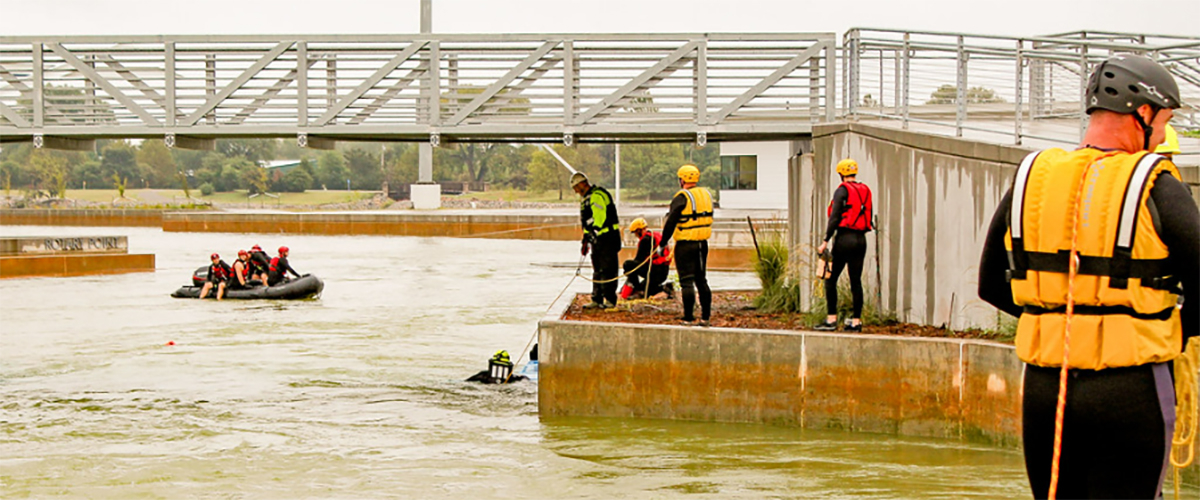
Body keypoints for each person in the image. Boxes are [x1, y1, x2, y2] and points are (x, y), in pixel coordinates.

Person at [977, 54, 1198, 499]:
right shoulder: (1156, 183)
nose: (1159, 136)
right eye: (1164, 122)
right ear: (1144, 114)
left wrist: (1059, 323)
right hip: (1130, 391)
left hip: (1046, 392)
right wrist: (1165, 332)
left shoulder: (1031, 177)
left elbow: (989, 284)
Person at [813, 158, 873, 332]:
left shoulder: (842, 191)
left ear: (841, 174)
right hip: (861, 240)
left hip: (844, 238)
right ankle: (856, 321)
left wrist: (825, 241)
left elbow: (835, 218)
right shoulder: (865, 190)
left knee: (830, 279)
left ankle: (831, 319)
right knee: (856, 281)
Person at [657, 164, 713, 326]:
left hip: (685, 245)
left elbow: (671, 222)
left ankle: (688, 318)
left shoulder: (682, 197)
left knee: (686, 281)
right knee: (701, 280)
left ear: (681, 180)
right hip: (702, 244)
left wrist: (662, 243)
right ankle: (705, 317)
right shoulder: (706, 195)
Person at [572, 171, 620, 309]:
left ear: (582, 184)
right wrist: (586, 239)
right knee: (597, 269)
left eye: (576, 188)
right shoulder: (586, 199)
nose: (576, 191)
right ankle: (597, 298)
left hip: (607, 237)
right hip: (597, 239)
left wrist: (595, 231)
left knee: (608, 269)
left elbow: (600, 216)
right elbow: (588, 222)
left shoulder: (597, 196)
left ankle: (610, 300)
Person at [619, 217, 674, 300]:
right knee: (645, 289)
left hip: (655, 272)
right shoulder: (656, 235)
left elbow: (638, 261)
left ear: (638, 230)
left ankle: (636, 288)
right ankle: (664, 288)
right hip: (663, 271)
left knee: (628, 265)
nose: (636, 235)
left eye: (635, 233)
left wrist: (628, 273)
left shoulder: (645, 240)